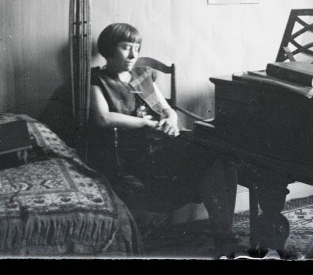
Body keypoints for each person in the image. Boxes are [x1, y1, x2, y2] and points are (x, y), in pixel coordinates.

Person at [88, 22, 238, 257]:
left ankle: (223, 233)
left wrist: (171, 120)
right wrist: (146, 123)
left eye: (136, 47)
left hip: (164, 142)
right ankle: (223, 237)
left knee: (223, 158)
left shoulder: (141, 76)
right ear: (108, 48)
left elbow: (167, 109)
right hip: (133, 153)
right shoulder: (98, 80)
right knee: (212, 161)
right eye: (126, 47)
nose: (133, 54)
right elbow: (102, 118)